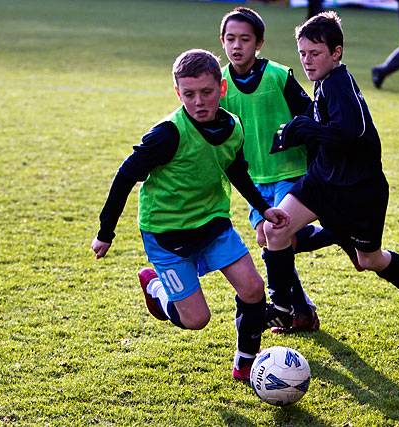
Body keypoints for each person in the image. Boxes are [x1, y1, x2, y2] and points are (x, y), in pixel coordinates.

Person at [91, 49, 290, 381]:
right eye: (189, 94)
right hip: (167, 235)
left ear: (222, 89)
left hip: (213, 224)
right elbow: (125, 176)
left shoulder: (233, 127)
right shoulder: (167, 134)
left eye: (207, 92)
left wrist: (264, 207)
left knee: (253, 289)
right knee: (196, 320)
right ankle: (156, 289)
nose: (199, 101)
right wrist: (105, 232)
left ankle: (245, 362)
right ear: (178, 93)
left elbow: (235, 170)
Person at [263, 12, 399, 328]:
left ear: (336, 53)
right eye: (302, 53)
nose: (307, 60)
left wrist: (305, 127)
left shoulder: (338, 82)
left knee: (367, 260)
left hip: (359, 191)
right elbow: (327, 132)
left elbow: (350, 131)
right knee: (276, 229)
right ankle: (282, 305)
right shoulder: (324, 83)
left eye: (315, 53)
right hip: (322, 181)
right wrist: (296, 132)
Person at [218, 7, 360, 333]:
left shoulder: (279, 76)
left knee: (276, 232)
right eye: (230, 39)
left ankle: (286, 307)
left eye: (245, 39)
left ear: (259, 43)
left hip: (289, 171)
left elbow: (312, 118)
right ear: (222, 41)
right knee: (269, 239)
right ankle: (304, 307)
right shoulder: (220, 83)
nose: (237, 46)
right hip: (254, 179)